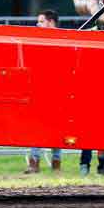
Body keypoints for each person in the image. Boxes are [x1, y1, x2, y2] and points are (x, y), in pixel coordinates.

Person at [25, 9, 62, 174]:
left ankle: (55, 164)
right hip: (40, 90)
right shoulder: (39, 41)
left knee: (55, 128)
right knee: (36, 127)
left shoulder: (61, 41)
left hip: (55, 91)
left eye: (41, 21)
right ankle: (35, 163)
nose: (37, 24)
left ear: (51, 22)